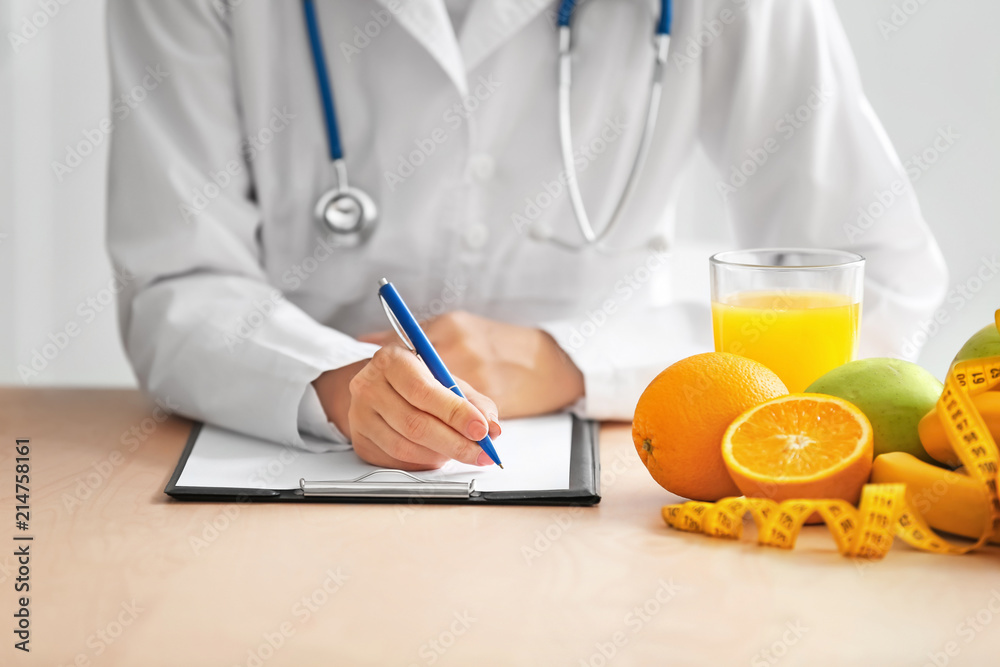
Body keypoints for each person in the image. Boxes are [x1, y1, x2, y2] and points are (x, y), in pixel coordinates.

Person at [106, 0, 947, 470]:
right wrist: (331, 379)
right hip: (304, 461)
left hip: (627, 471)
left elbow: (873, 280)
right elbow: (177, 281)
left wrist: (570, 357)